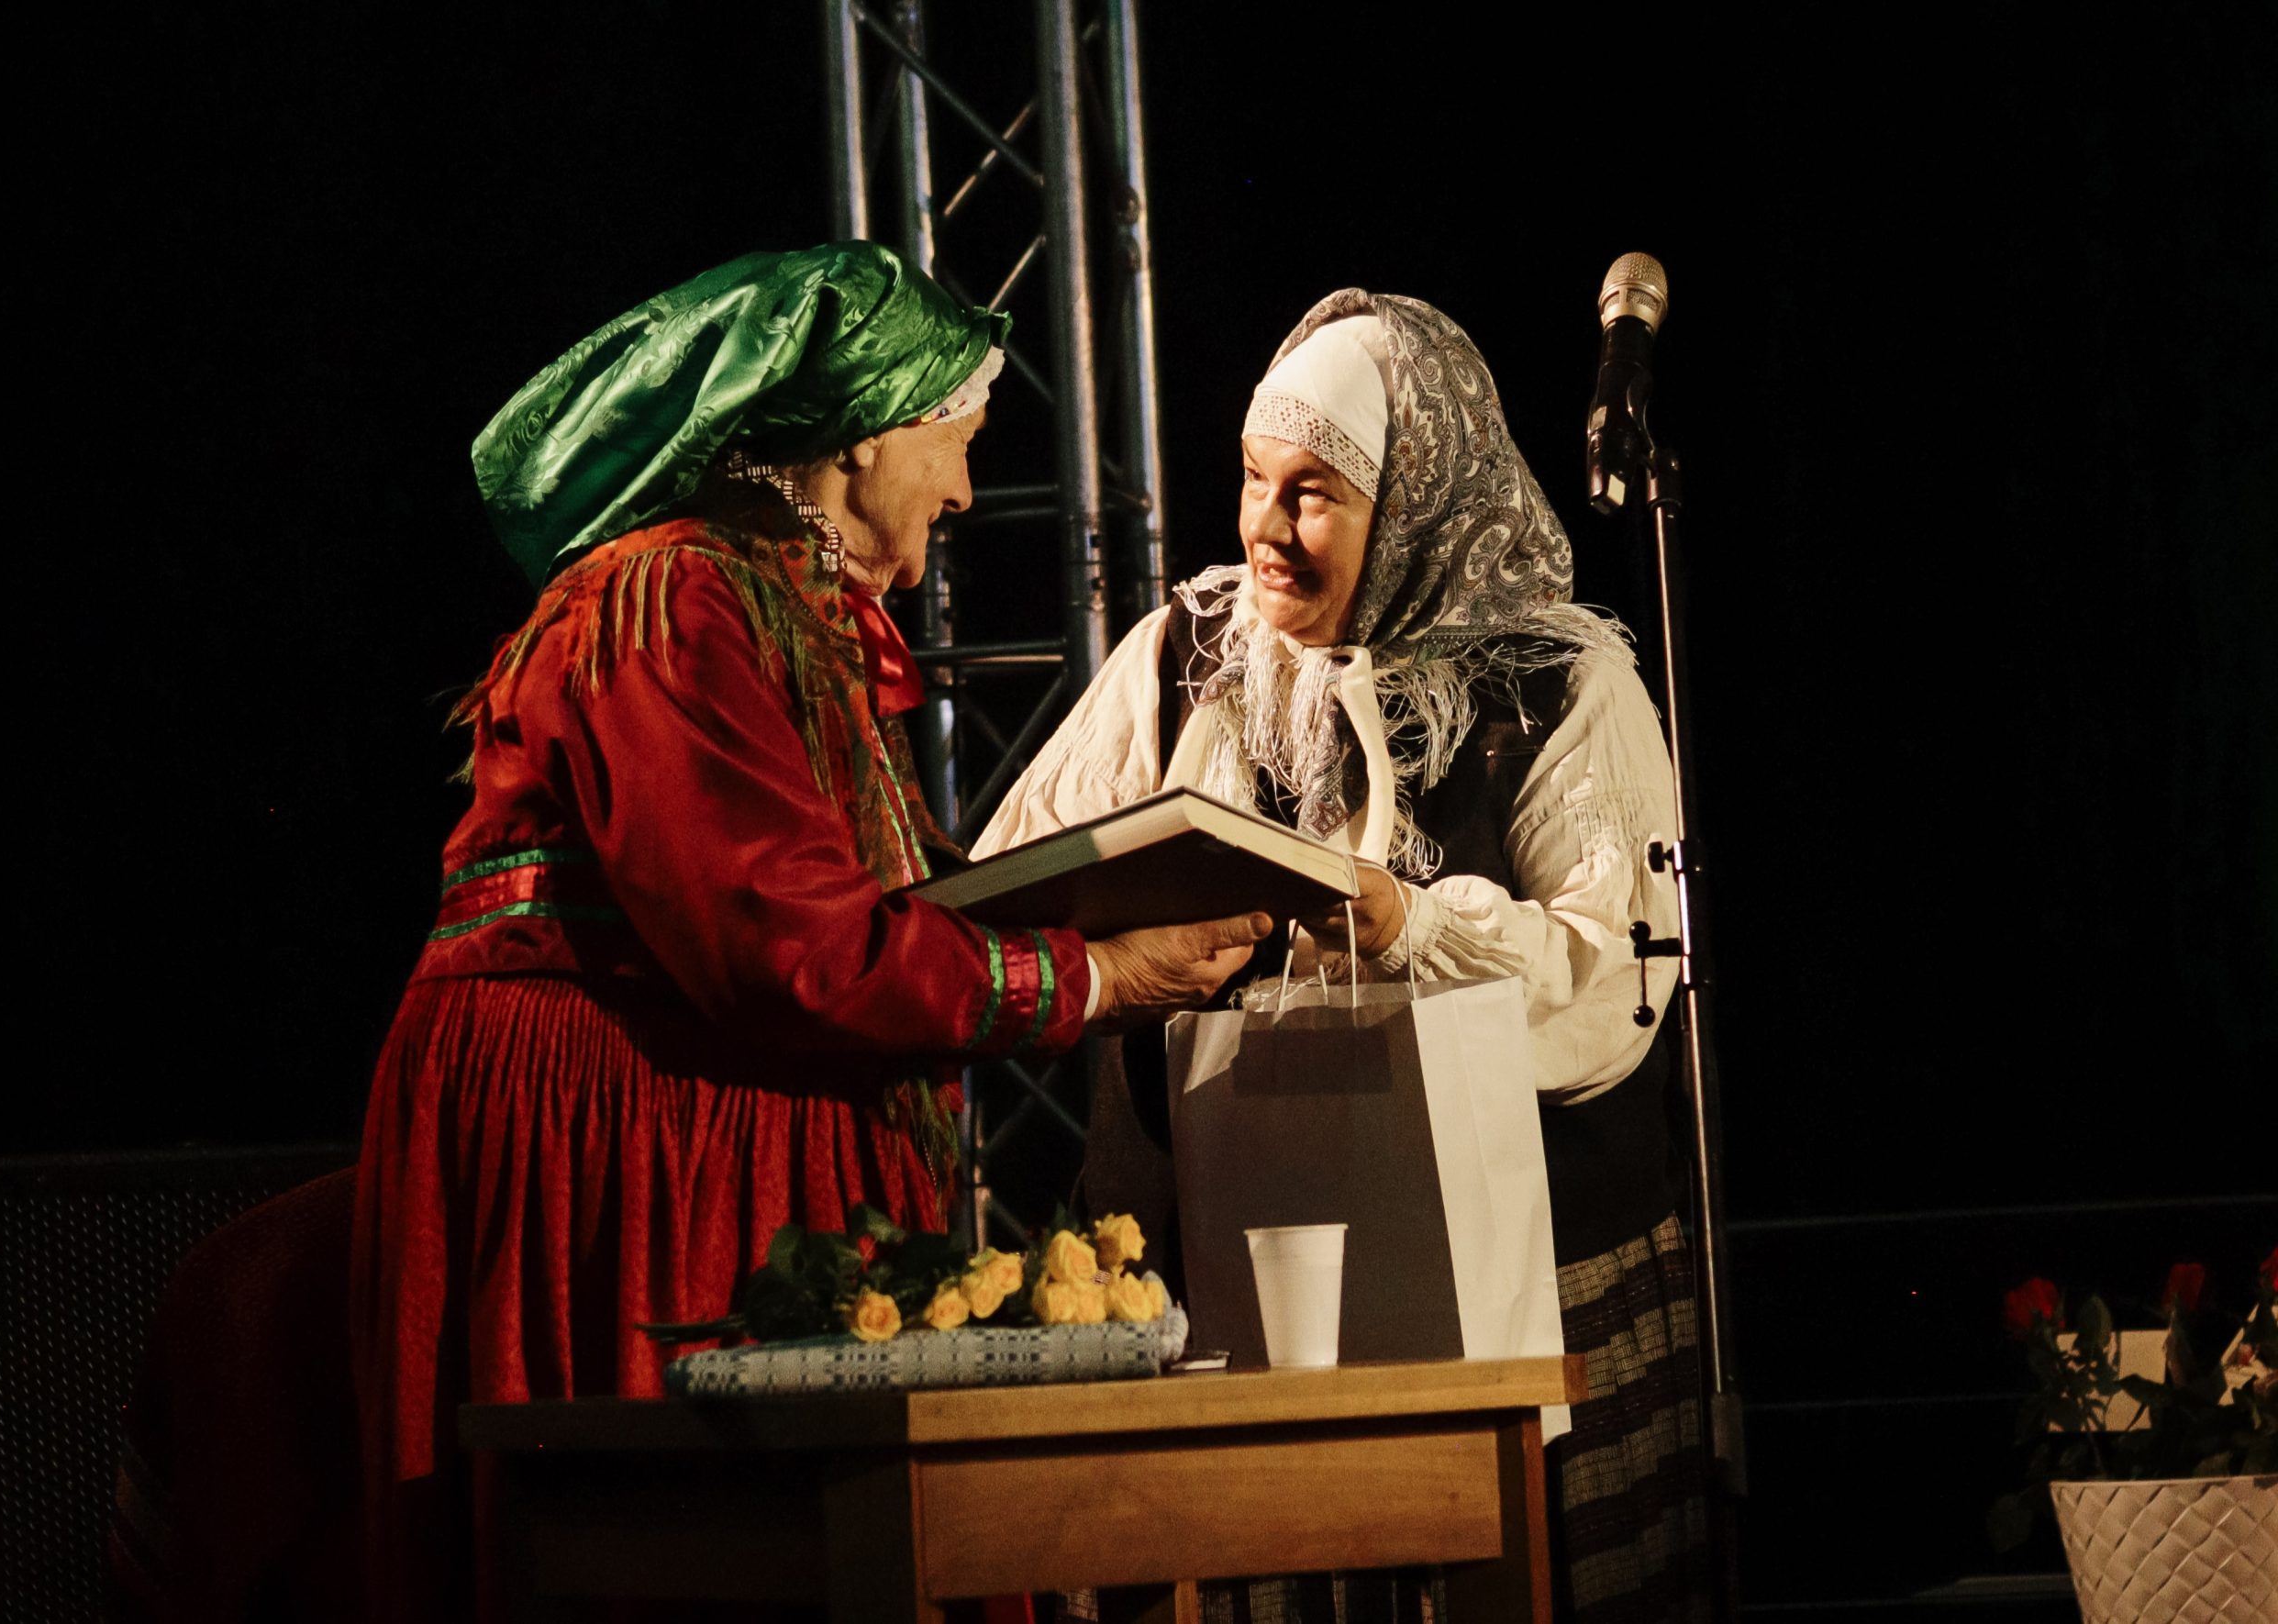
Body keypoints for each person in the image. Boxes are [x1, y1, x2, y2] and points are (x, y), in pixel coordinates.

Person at [351, 242, 1268, 1622]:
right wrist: (1089, 975)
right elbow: (787, 942)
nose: (965, 490)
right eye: (958, 444)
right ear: (861, 439)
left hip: (708, 1099)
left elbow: (850, 908)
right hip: (622, 1124)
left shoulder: (774, 608)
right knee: (688, 1554)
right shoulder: (671, 601)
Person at [975, 290, 1708, 1621]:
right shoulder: (1181, 659)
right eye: (1253, 480)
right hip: (1208, 1272)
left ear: (1411, 502)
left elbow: (1614, 981)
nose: (1263, 526)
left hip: (1505, 1296)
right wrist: (1125, 941)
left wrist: (1411, 924)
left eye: (1311, 494)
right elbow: (1013, 874)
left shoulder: (1557, 686)